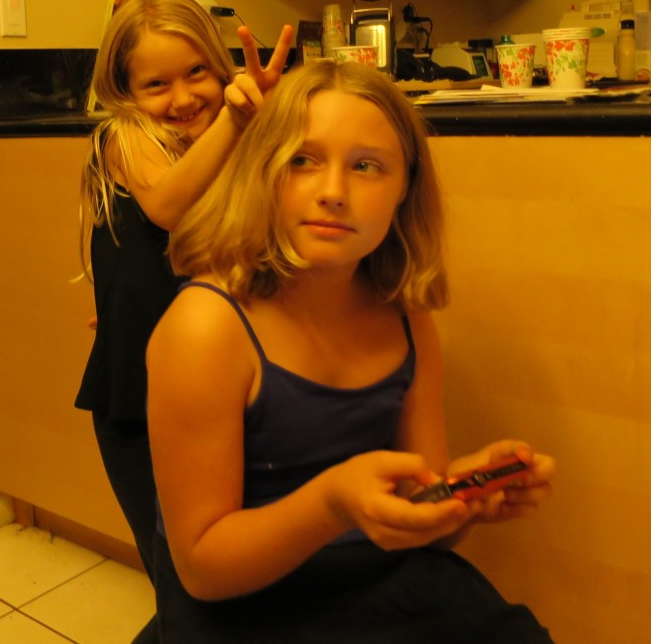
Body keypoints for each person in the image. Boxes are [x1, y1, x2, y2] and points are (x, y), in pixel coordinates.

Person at [146, 59, 556, 643]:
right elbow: (202, 568)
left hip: (381, 580)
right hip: (245, 607)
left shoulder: (405, 316)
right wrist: (333, 505)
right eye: (302, 160)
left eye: (367, 166)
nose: (333, 193)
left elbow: (422, 519)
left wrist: (459, 498)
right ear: (261, 171)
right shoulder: (207, 327)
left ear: (404, 188)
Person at [74, 0, 292, 642]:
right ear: (124, 91)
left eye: (197, 72)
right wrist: (235, 118)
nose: (183, 96)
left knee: (221, 582)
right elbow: (166, 205)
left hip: (215, 392)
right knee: (183, 584)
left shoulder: (238, 147)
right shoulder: (124, 136)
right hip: (137, 404)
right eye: (156, 84)